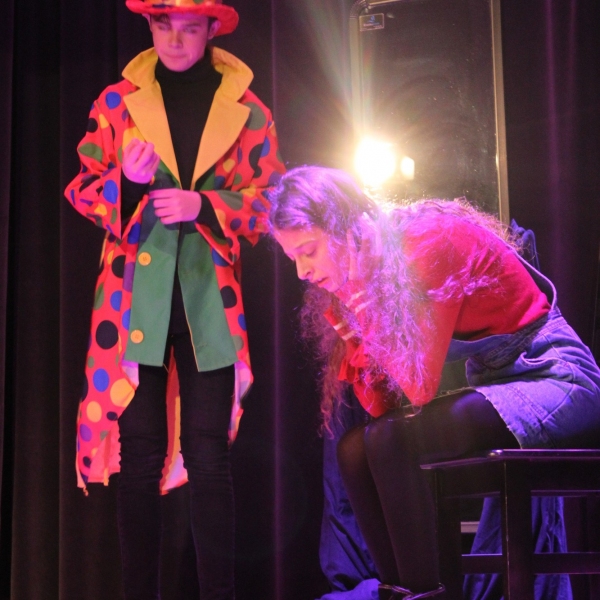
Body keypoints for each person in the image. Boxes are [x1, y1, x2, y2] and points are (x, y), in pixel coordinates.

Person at [269, 165, 600, 600]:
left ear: (344, 226)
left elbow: (418, 387)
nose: (301, 271)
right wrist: (353, 322)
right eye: (293, 257)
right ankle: (401, 591)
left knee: (391, 440)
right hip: (500, 384)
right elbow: (383, 406)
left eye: (308, 251)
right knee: (353, 449)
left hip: (557, 378)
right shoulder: (370, 274)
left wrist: (363, 310)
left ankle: (429, 594)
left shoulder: (427, 241)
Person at [64, 0, 285, 597]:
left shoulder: (249, 111)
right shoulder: (117, 103)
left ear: (212, 28)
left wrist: (205, 205)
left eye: (189, 28)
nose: (175, 41)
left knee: (209, 457)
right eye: (164, 26)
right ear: (149, 25)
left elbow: (272, 199)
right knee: (138, 456)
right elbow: (82, 187)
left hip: (208, 295)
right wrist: (128, 182)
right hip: (133, 295)